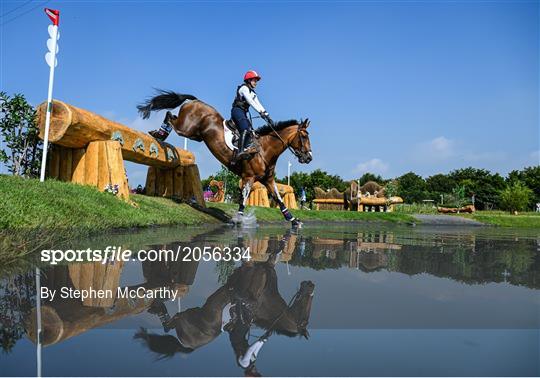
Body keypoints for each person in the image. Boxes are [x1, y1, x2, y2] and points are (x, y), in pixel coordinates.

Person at [232, 70, 274, 160]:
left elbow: (258, 104)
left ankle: (245, 148)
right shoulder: (244, 88)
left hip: (243, 113)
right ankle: (240, 151)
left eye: (256, 81)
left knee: (252, 132)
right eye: (254, 80)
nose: (256, 83)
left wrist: (267, 115)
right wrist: (260, 112)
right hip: (237, 111)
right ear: (248, 80)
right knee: (246, 129)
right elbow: (250, 101)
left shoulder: (253, 93)